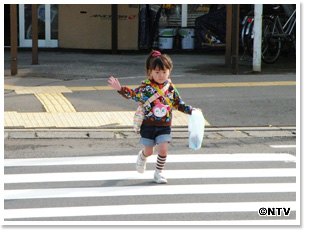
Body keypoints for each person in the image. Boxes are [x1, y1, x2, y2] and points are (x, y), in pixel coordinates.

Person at [108, 50, 195, 184]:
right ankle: (142, 157)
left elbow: (178, 104)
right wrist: (120, 89)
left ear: (169, 71)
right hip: (148, 125)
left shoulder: (170, 88)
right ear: (150, 72)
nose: (161, 75)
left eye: (164, 72)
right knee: (149, 151)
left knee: (163, 149)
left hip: (164, 126)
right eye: (157, 72)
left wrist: (191, 111)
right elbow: (134, 94)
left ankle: (158, 172)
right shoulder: (146, 87)